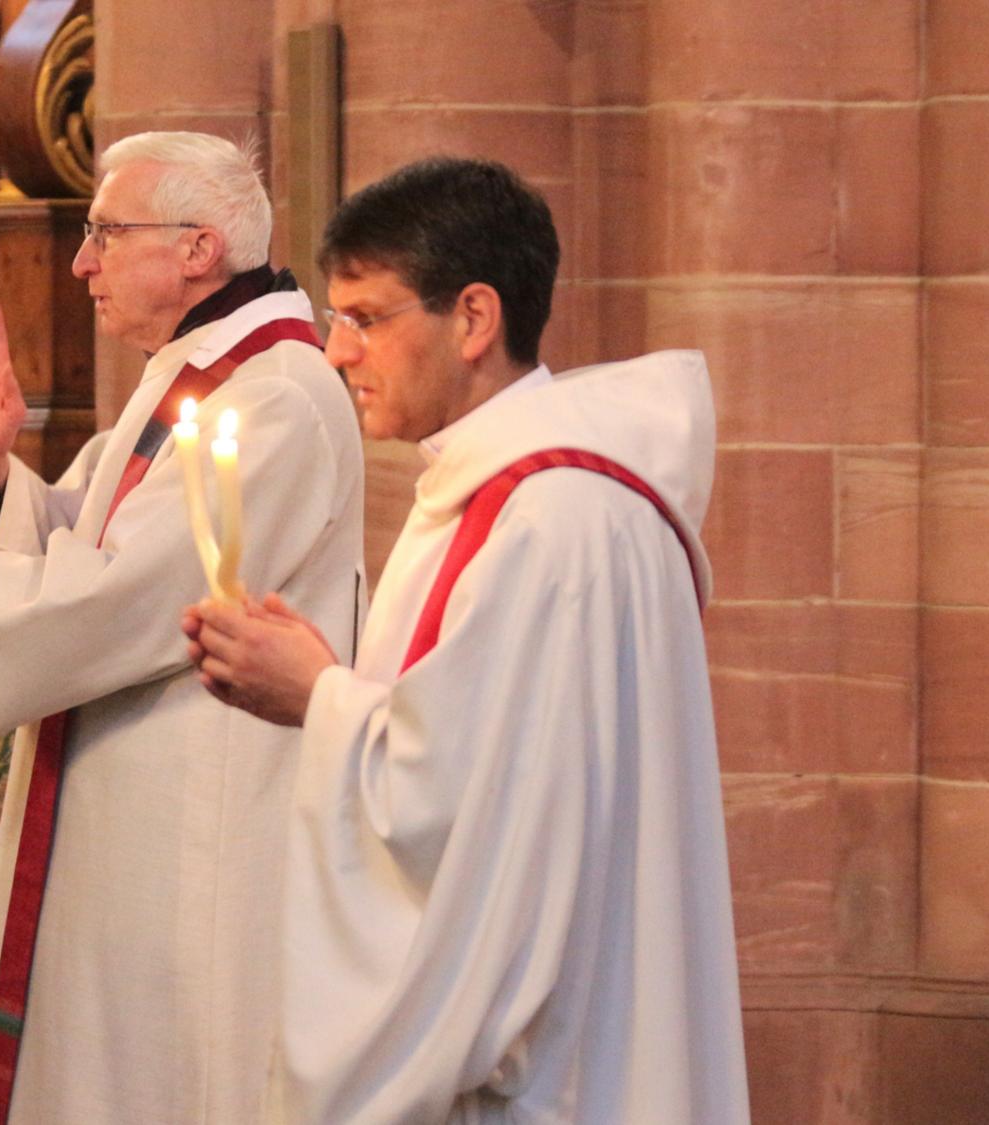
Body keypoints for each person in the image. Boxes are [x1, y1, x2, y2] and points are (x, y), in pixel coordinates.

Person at [0, 132, 366, 1123]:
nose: (80, 261)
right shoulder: (199, 372)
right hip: (137, 802)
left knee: (171, 1078)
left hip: (202, 824)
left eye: (105, 232)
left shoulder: (273, 396)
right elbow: (90, 539)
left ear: (195, 249)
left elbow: (119, 597)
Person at [183, 156, 751, 1123]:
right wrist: (326, 685)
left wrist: (318, 694)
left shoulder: (549, 518)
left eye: (365, 317)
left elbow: (480, 815)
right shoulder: (508, 492)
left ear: (475, 319)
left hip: (554, 1070)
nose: (336, 351)